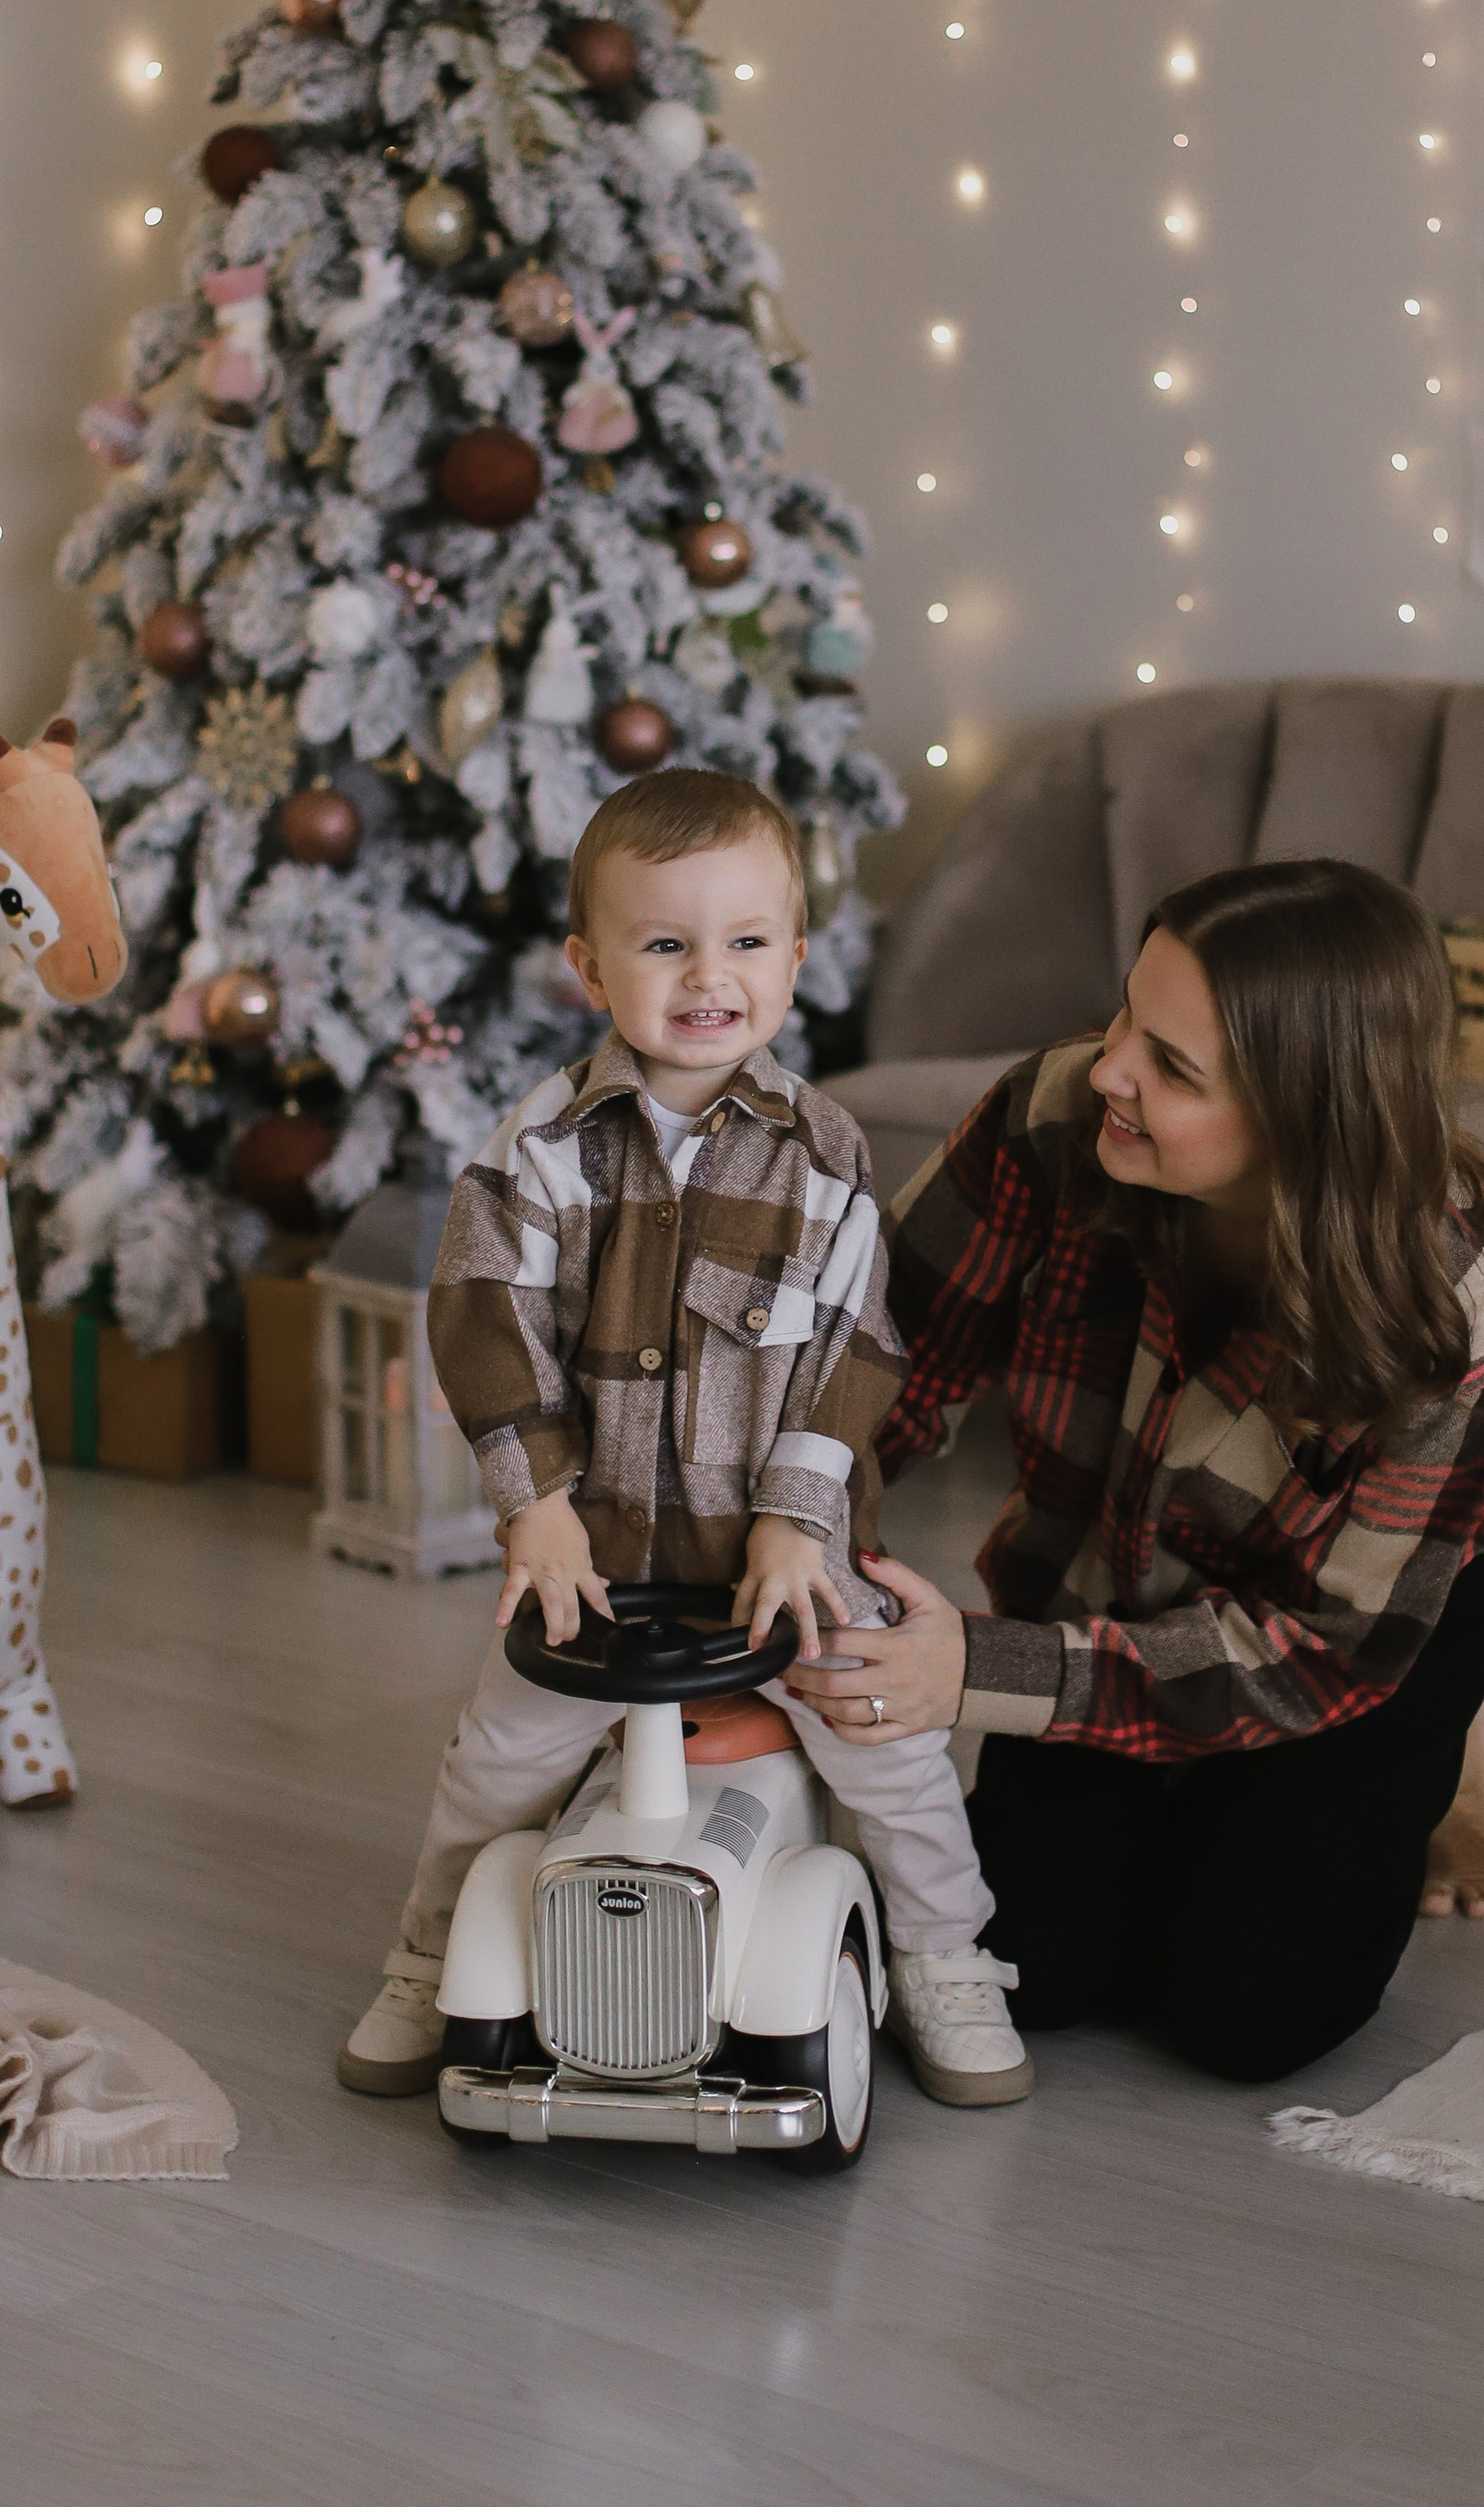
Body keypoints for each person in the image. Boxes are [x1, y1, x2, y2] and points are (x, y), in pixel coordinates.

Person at [337, 771, 1031, 2108]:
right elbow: (484, 1316)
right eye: (665, 945)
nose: (710, 977)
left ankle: (948, 1955)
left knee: (887, 1749)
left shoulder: (824, 1154)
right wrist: (533, 1501)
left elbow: (856, 1349)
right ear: (591, 967)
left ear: (798, 959)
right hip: (594, 1564)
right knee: (497, 1760)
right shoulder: (539, 1147)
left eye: (746, 943)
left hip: (789, 1559)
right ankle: (430, 1956)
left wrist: (795, 1515)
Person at [783, 857, 1484, 2083]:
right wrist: (797, 1525)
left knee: (1244, 2018)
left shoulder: (1448, 1314)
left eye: (1174, 1067)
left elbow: (1327, 1650)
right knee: (1039, 1966)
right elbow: (886, 1357)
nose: (1112, 1068)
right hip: (1113, 1582)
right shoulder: (1056, 1119)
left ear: (1304, 1118)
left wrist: (971, 1667)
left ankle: (1455, 1759)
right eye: (1128, 1012)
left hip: (1345, 1631)